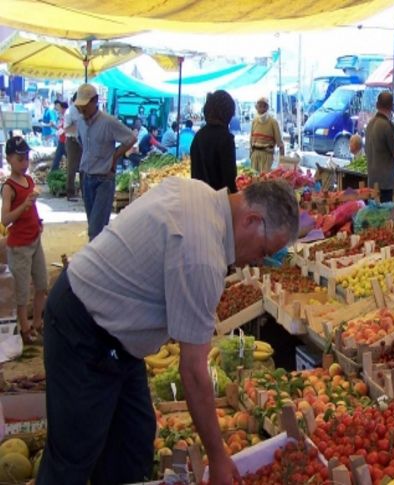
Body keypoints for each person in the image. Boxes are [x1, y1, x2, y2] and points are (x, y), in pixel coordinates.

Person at [37, 177, 299, 485]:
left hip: (118, 337)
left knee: (132, 441)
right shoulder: (204, 254)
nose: (261, 260)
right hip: (84, 328)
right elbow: (193, 371)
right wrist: (217, 457)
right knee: (74, 454)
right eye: (265, 250)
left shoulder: (200, 194)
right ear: (252, 220)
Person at [73, 83, 137, 241]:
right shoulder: (80, 122)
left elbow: (131, 138)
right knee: (93, 225)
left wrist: (114, 157)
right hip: (86, 177)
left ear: (95, 101)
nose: (82, 111)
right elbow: (81, 141)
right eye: (80, 107)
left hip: (103, 179)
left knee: (96, 230)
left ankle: (95, 262)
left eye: (85, 106)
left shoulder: (108, 122)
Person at [1, 137, 47, 345]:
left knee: (41, 284)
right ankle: (25, 328)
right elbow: (6, 219)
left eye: (27, 158)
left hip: (35, 239)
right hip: (19, 245)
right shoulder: (9, 187)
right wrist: (25, 206)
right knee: (21, 290)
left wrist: (37, 221)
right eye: (20, 159)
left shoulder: (29, 181)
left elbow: (33, 209)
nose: (25, 163)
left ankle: (38, 322)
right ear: (9, 159)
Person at [364, 91, 394, 203]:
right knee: (384, 216)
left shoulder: (370, 124)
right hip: (384, 185)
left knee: (374, 215)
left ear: (376, 105)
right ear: (392, 106)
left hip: (371, 180)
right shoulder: (386, 126)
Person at [191, 90, 238, 193]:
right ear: (227, 113)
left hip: (199, 198)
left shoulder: (198, 136)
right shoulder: (225, 138)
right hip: (218, 202)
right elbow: (229, 181)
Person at [249, 96, 285, 174]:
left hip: (267, 156)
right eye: (260, 106)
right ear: (256, 108)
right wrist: (250, 155)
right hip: (255, 156)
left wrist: (282, 163)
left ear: (267, 108)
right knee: (254, 181)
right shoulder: (254, 121)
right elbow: (251, 140)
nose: (262, 108)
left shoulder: (273, 122)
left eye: (264, 106)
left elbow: (280, 144)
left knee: (265, 181)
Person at [63, 93, 82, 201]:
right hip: (72, 141)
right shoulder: (70, 111)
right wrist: (78, 126)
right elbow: (66, 129)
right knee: (72, 167)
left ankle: (83, 191)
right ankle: (70, 192)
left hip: (81, 141)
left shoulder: (82, 110)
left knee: (83, 167)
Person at [50, 101, 69, 173]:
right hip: (62, 141)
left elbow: (64, 129)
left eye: (60, 108)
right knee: (57, 158)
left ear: (64, 108)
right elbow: (61, 129)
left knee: (58, 158)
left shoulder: (67, 117)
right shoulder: (63, 117)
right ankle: (53, 172)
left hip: (65, 142)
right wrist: (55, 127)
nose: (59, 110)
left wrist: (55, 128)